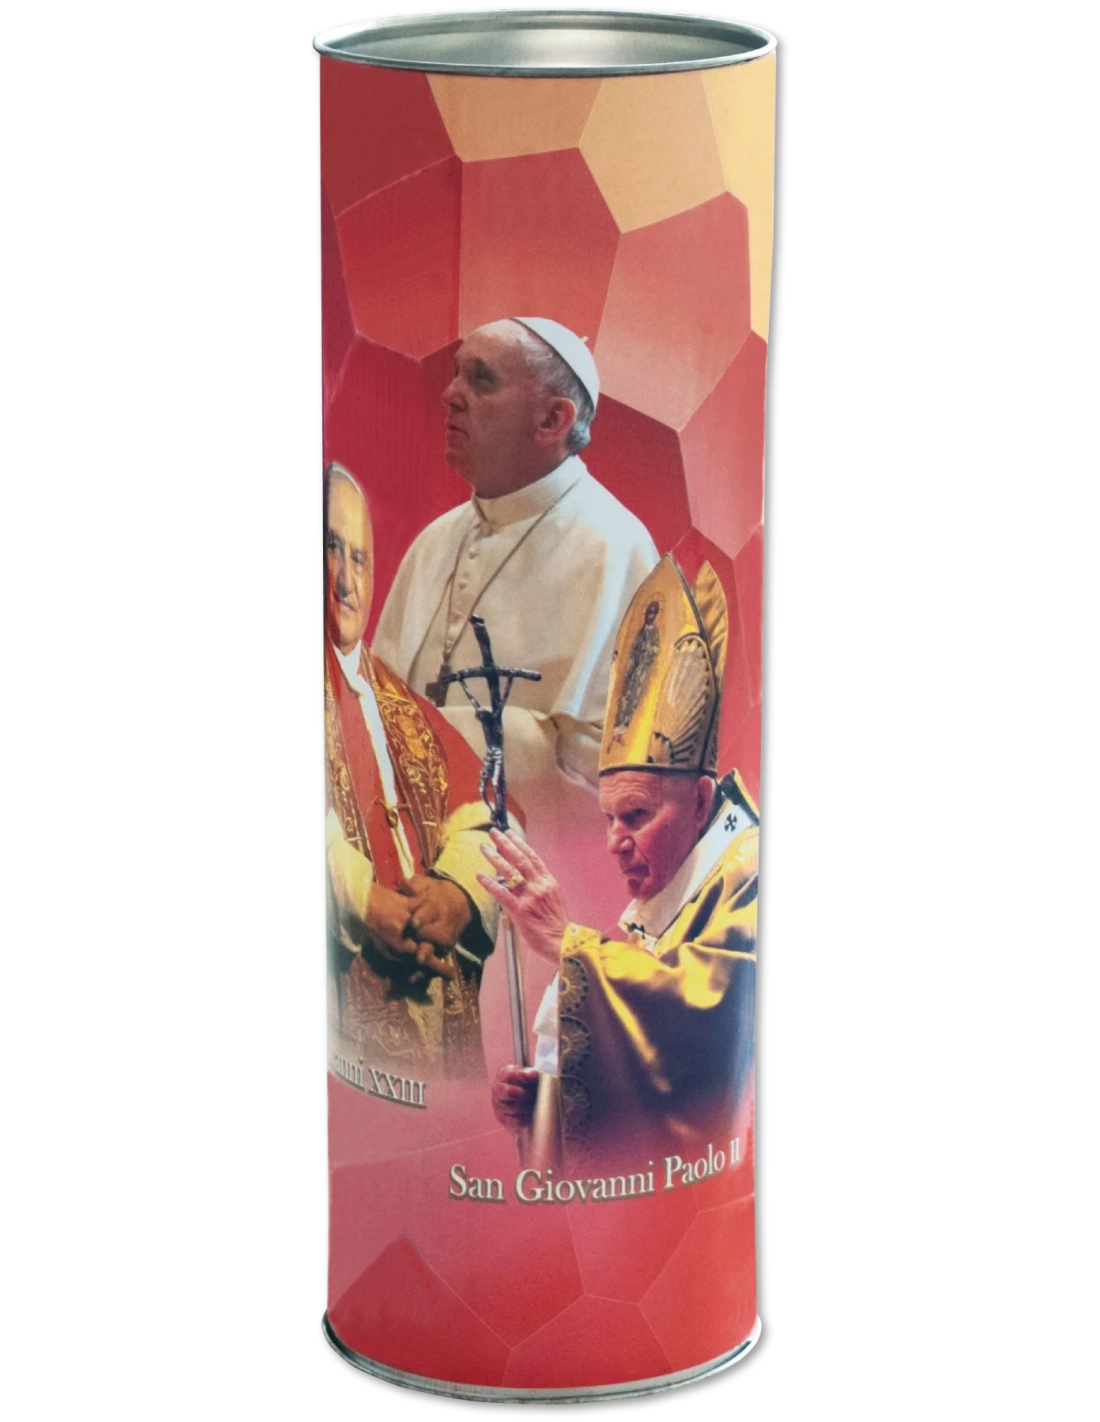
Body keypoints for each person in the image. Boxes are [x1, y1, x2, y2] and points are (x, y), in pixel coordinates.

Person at [373, 317, 659, 934]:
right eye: (455, 373)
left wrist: (442, 745)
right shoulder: (435, 541)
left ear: (553, 419)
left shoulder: (614, 547)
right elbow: (371, 709)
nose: (450, 394)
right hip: (405, 881)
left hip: (535, 907)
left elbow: (613, 778)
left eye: (481, 380)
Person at [478, 554, 759, 1164]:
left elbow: (700, 1029)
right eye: (609, 818)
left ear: (700, 802)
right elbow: (646, 1073)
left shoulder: (747, 874)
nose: (615, 841)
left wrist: (566, 942)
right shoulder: (674, 891)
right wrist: (550, 1098)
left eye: (636, 815)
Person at [322, 462, 510, 1081]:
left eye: (360, 558)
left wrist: (454, 896)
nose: (347, 580)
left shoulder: (398, 701)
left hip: (439, 1020)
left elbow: (489, 819)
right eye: (330, 548)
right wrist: (360, 900)